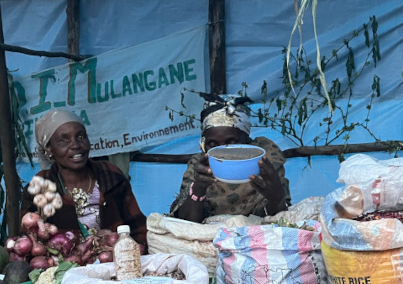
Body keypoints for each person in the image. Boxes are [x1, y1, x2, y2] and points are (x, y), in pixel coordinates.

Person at [21, 109, 147, 246]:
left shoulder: (110, 175)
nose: (76, 145)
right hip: (65, 266)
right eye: (63, 140)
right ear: (49, 149)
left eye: (81, 137)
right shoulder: (40, 188)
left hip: (117, 263)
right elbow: (28, 242)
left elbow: (138, 228)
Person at [171, 93, 291, 222]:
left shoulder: (265, 160)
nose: (223, 151)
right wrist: (198, 189)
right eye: (212, 144)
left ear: (247, 141)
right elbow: (186, 222)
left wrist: (276, 198)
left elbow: (276, 219)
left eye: (232, 142)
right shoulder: (200, 166)